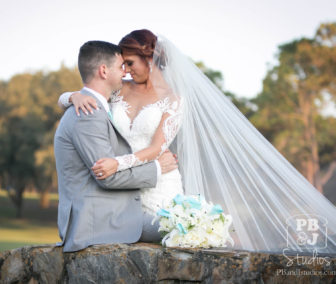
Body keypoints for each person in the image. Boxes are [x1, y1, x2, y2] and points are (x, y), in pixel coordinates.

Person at [59, 30, 336, 254]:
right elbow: (93, 92)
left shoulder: (174, 99)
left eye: (130, 63)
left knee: (188, 234)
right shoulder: (119, 91)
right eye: (123, 65)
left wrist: (116, 163)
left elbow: (156, 149)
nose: (127, 71)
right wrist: (71, 96)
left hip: (157, 182)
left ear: (150, 60)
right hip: (125, 187)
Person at [54, 40, 178, 252]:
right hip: (99, 222)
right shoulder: (88, 114)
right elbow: (107, 176)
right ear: (103, 70)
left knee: (185, 225)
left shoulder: (91, 103)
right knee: (185, 229)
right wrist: (158, 168)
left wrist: (71, 96)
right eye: (121, 66)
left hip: (112, 211)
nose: (125, 73)